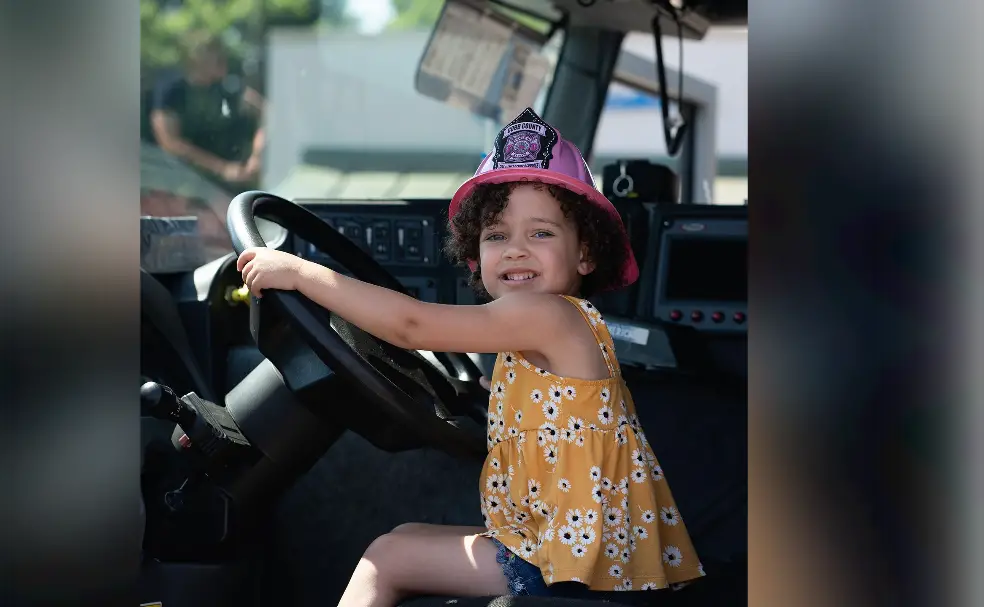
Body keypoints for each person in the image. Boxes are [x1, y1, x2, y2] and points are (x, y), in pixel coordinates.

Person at [237, 108, 704, 606]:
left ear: (586, 253)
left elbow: (410, 324)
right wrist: (496, 394)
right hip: (579, 550)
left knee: (387, 558)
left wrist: (300, 273)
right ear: (475, 254)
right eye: (496, 236)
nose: (516, 250)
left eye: (541, 233)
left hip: (572, 566)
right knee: (407, 534)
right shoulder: (556, 326)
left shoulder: (544, 314)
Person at [150, 34, 265, 193]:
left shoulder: (228, 87)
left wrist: (256, 158)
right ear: (197, 59)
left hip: (234, 183)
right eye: (216, 57)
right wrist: (222, 168)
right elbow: (170, 143)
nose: (223, 61)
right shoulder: (172, 90)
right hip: (182, 185)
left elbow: (268, 115)